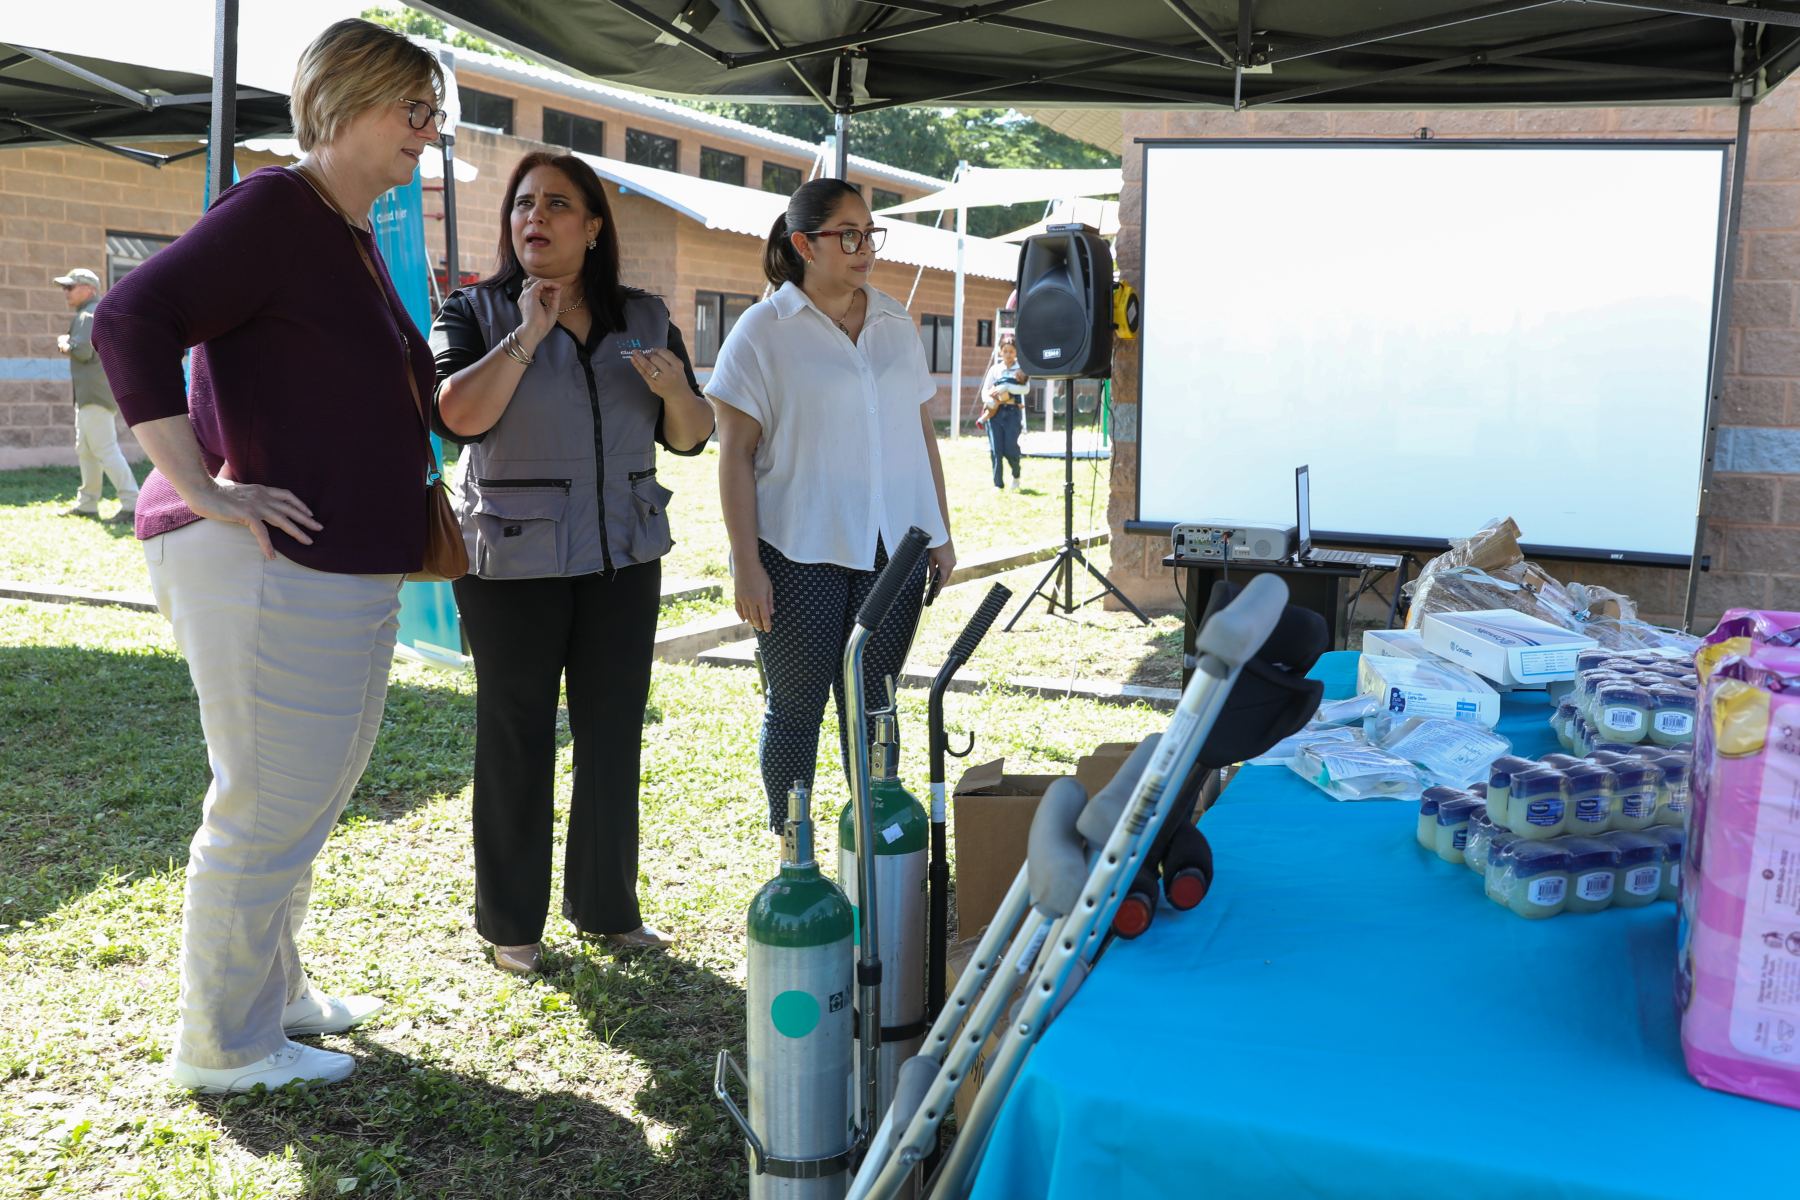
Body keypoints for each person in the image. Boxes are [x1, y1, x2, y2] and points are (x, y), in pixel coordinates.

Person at [92, 18, 445, 1093]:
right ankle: (224, 1044)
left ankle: (274, 994)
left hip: (329, 567)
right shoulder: (276, 209)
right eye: (412, 110)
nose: (427, 136)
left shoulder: (335, 228)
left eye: (434, 115)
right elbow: (129, 318)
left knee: (307, 793)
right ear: (341, 101)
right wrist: (201, 481)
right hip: (263, 568)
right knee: (265, 802)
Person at [431, 151, 714, 975]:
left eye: (557, 204)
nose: (535, 219)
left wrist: (672, 391)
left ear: (593, 227)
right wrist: (529, 333)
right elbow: (457, 416)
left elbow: (692, 436)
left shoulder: (645, 315)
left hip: (623, 559)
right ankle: (511, 926)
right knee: (516, 736)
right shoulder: (474, 310)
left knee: (613, 732)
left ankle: (606, 907)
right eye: (524, 204)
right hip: (510, 563)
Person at [707, 178, 957, 830]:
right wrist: (745, 564)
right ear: (803, 245)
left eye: (870, 232)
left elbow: (918, 433)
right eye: (847, 233)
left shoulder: (897, 323)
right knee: (795, 706)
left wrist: (940, 531)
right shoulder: (763, 332)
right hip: (796, 550)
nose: (864, 246)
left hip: (892, 550)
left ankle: (875, 845)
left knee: (874, 702)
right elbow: (733, 454)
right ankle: (796, 852)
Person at [55, 267, 140, 521]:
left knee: (104, 449)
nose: (66, 292)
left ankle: (132, 502)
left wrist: (63, 341)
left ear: (89, 289)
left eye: (70, 287)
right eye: (65, 288)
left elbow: (82, 352)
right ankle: (88, 503)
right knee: (86, 449)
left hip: (93, 396)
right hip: (92, 395)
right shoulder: (93, 312)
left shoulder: (87, 315)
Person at [976, 332, 1027, 490]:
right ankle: (998, 484)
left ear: (1016, 352)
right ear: (1000, 351)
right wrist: (990, 399)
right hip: (995, 413)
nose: (1008, 354)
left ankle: (1016, 474)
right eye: (1005, 351)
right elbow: (985, 391)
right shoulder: (994, 370)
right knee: (996, 449)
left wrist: (1007, 388)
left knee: (1010, 448)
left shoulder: (1021, 370)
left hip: (1012, 412)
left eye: (1011, 351)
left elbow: (1025, 389)